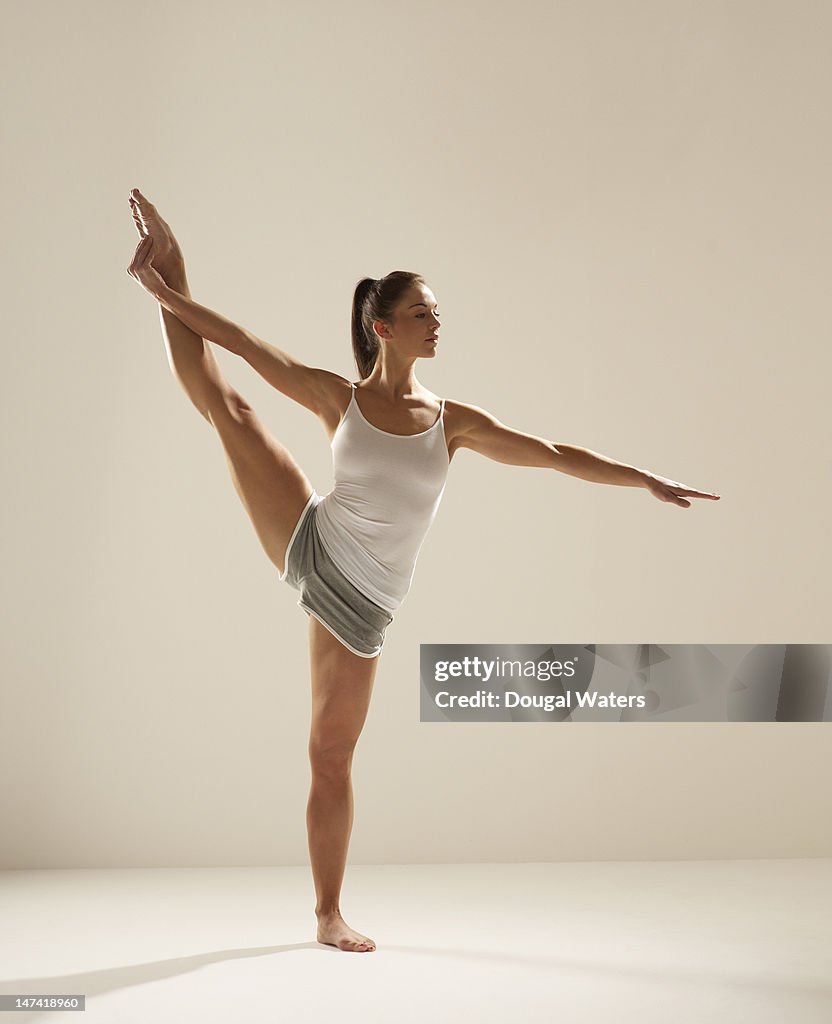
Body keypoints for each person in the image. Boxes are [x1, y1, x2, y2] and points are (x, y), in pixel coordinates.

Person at [125, 188, 721, 953]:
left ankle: (327, 914)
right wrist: (166, 285)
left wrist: (641, 476)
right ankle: (168, 254)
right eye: (423, 313)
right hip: (313, 539)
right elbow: (241, 343)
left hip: (362, 606)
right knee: (227, 406)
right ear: (383, 327)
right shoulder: (336, 397)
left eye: (437, 312)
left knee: (330, 755)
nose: (438, 321)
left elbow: (556, 454)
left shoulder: (454, 423)